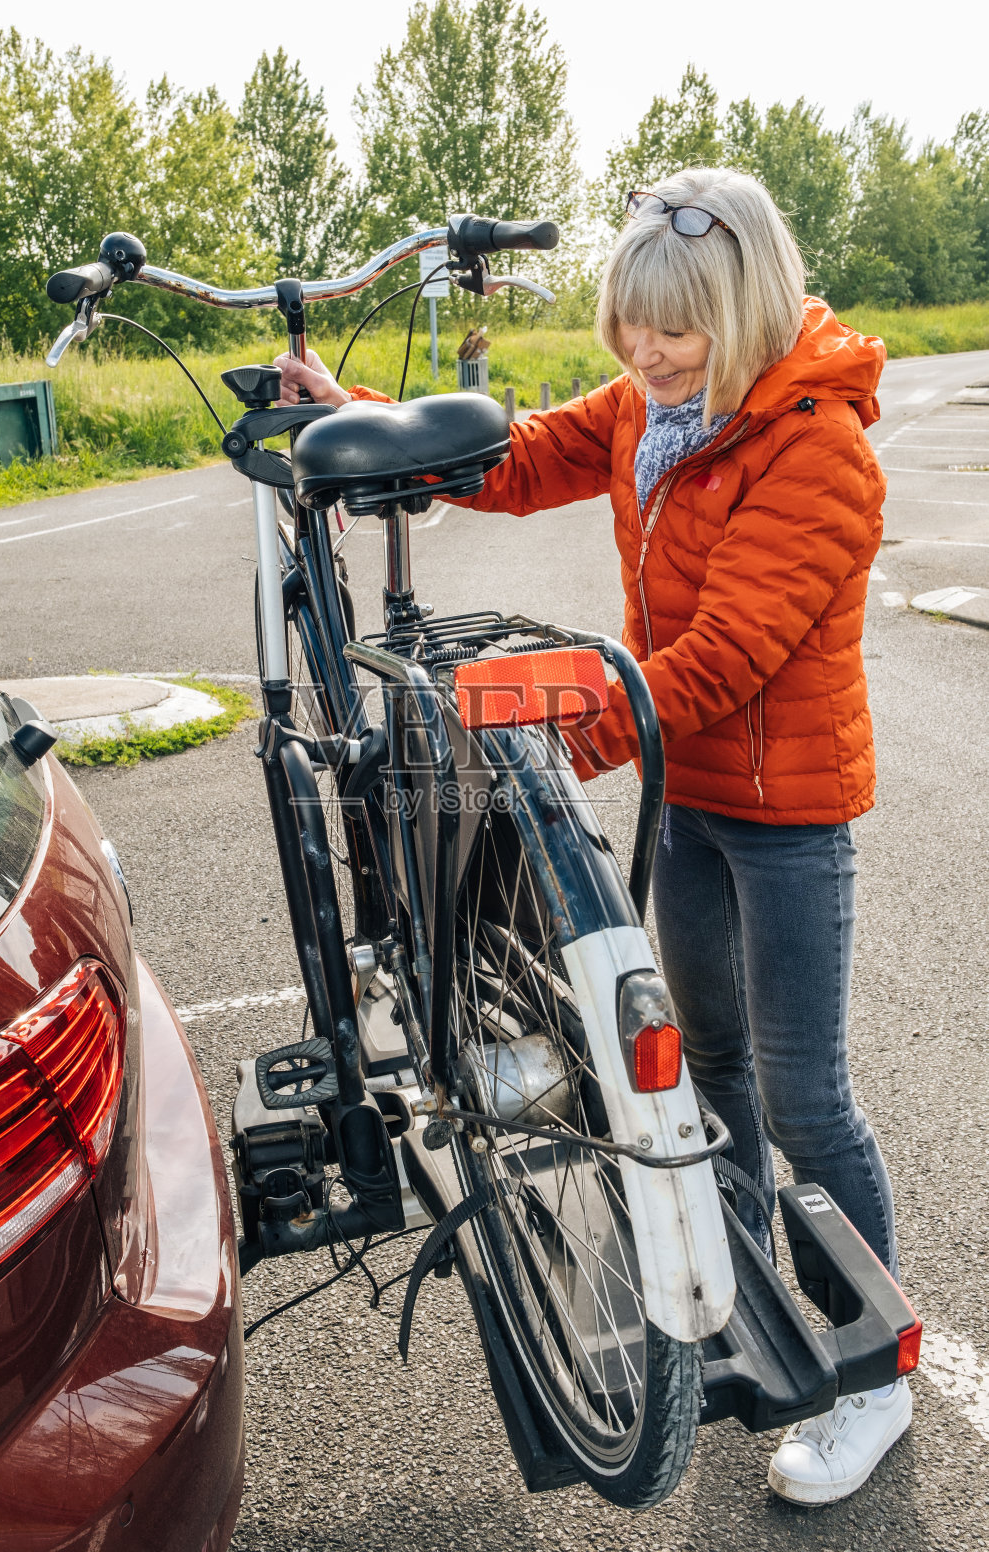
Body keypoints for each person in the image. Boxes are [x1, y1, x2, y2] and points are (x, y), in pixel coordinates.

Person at [272, 166, 910, 1505]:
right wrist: (366, 419)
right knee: (711, 1067)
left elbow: (727, 655)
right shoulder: (658, 407)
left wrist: (556, 739)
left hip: (788, 821)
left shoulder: (817, 447)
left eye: (674, 334)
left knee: (805, 1095)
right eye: (631, 330)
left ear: (744, 311)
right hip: (690, 809)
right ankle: (732, 1287)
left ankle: (875, 1382)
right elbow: (525, 454)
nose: (646, 357)